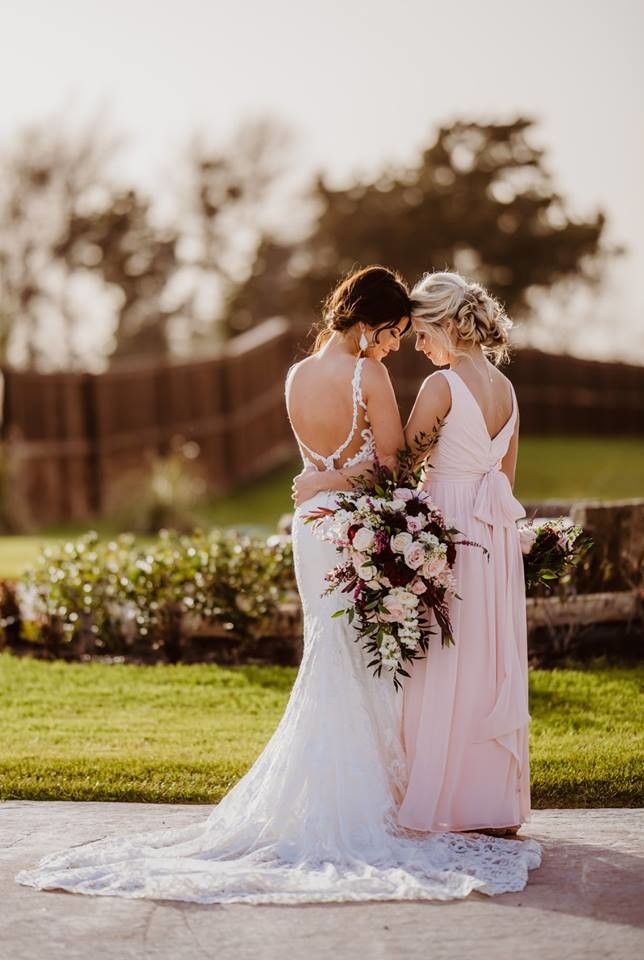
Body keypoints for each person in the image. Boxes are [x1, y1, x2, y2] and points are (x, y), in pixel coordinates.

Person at [16, 266, 540, 904]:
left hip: (313, 527)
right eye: (394, 332)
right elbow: (396, 469)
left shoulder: (296, 376)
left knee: (332, 655)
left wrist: (321, 482)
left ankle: (342, 792)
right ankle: (384, 793)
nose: (398, 345)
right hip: (369, 525)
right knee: (376, 664)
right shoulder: (381, 376)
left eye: (412, 333)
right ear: (372, 324)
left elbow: (344, 464)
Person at [398, 270, 532, 835]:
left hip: (447, 531)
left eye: (422, 333)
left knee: (442, 657)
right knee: (484, 654)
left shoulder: (441, 387)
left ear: (445, 324)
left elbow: (403, 468)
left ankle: (443, 798)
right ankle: (488, 802)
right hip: (493, 537)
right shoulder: (506, 390)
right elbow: (507, 477)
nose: (419, 346)